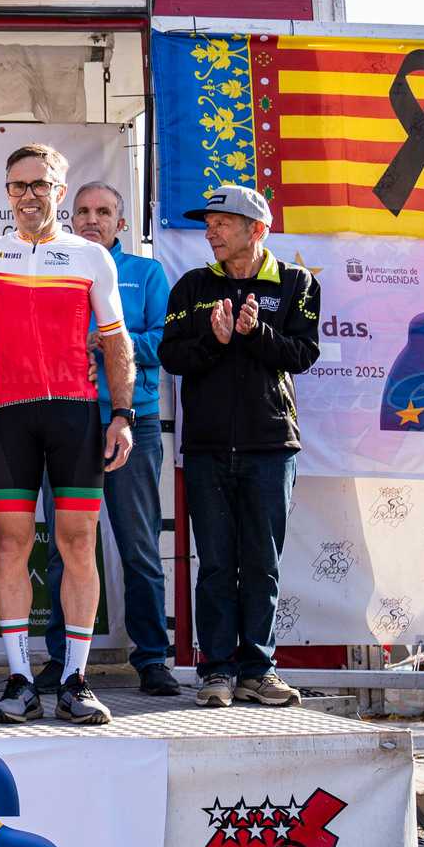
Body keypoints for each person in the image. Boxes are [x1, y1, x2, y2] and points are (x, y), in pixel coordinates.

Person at [0, 143, 135, 727]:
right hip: (10, 415)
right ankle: (20, 678)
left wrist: (122, 415)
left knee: (77, 543)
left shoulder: (91, 257)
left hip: (73, 415)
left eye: (41, 184)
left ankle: (76, 678)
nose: (29, 195)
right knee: (13, 546)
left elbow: (117, 342)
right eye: (19, 185)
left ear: (60, 192)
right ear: (7, 192)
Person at [160, 185, 319, 709]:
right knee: (214, 564)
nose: (211, 231)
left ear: (257, 229)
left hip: (272, 446)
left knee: (262, 563)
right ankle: (216, 672)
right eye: (207, 223)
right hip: (206, 448)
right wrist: (216, 341)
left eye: (222, 222)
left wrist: (254, 336)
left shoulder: (296, 282)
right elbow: (172, 356)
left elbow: (302, 354)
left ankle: (260, 669)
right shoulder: (190, 286)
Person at [33, 181, 177, 697]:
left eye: (104, 212)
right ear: (71, 219)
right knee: (63, 551)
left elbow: (168, 342)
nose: (92, 219)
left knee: (138, 546)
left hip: (129, 424)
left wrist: (116, 339)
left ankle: (153, 658)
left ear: (121, 223)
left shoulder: (146, 273)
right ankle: (62, 659)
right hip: (66, 424)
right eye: (84, 212)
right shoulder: (55, 269)